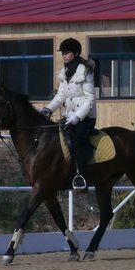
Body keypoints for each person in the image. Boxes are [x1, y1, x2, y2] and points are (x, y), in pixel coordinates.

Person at [40, 38, 97, 190]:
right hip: (69, 116)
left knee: (76, 140)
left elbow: (90, 98)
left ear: (76, 53)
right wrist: (48, 109)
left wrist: (78, 116)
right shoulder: (65, 72)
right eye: (63, 53)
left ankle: (80, 176)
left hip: (86, 117)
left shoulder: (86, 70)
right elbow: (60, 97)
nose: (64, 56)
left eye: (67, 53)